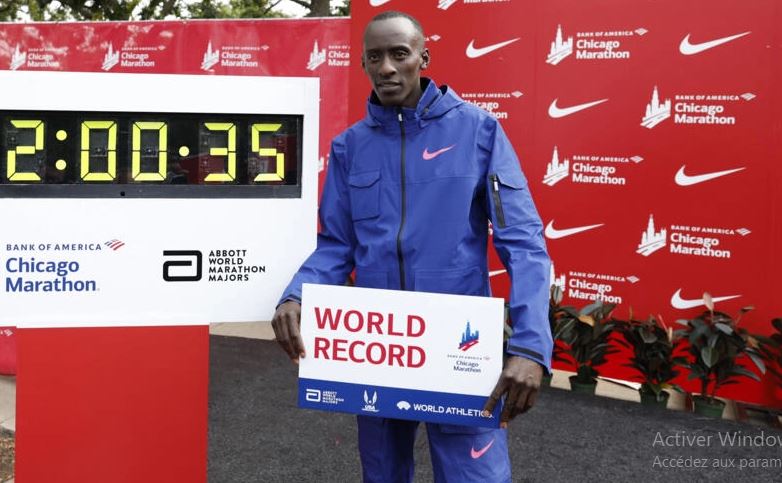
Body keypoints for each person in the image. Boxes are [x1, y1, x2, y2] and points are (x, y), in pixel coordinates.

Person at [272, 10, 552, 483]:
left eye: (399, 54)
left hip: (460, 350)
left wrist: (530, 347)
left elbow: (523, 245)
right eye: (374, 57)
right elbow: (337, 245)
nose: (387, 68)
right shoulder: (348, 148)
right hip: (379, 348)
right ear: (362, 63)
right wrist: (297, 293)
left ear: (424, 56)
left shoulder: (479, 132)